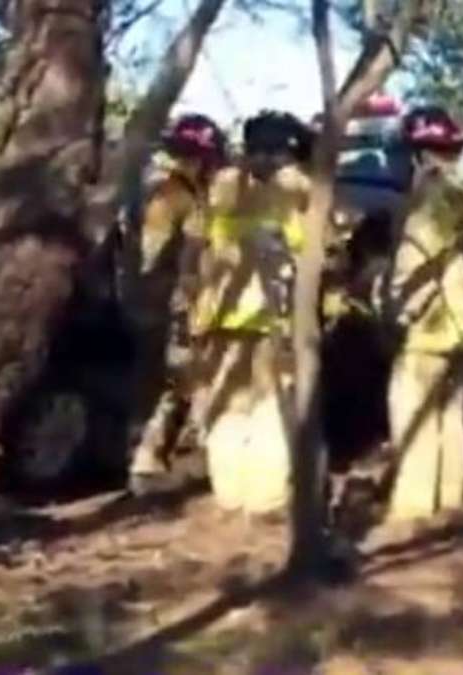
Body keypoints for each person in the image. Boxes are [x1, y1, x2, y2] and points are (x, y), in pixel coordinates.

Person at [192, 110, 312, 513]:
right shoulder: (291, 192)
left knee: (228, 403)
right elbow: (308, 247)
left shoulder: (223, 186)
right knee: (270, 402)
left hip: (221, 314)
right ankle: (264, 497)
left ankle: (230, 494)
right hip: (270, 318)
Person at [383, 106, 463, 523]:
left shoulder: (429, 199)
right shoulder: (462, 196)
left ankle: (414, 512)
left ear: (419, 154)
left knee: (414, 415)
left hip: (430, 328)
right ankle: (449, 502)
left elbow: (415, 263)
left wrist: (398, 309)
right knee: (449, 416)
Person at [127, 113, 228, 495]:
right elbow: (151, 257)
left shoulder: (181, 194)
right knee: (172, 383)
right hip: (170, 306)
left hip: (179, 303)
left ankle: (156, 460)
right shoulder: (171, 197)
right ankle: (145, 465)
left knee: (181, 382)